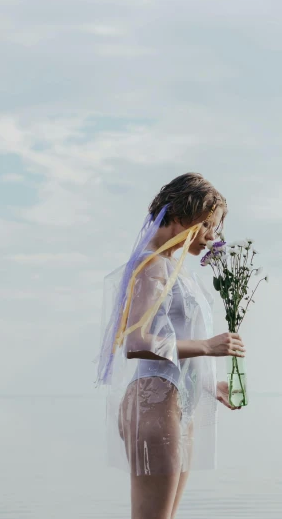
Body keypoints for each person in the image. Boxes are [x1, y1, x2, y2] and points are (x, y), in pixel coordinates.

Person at [95, 173, 246, 519]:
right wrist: (208, 347)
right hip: (155, 402)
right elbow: (136, 342)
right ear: (180, 214)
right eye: (207, 225)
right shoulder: (150, 265)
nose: (212, 237)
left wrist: (210, 384)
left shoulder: (175, 269)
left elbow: (175, 340)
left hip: (180, 403)